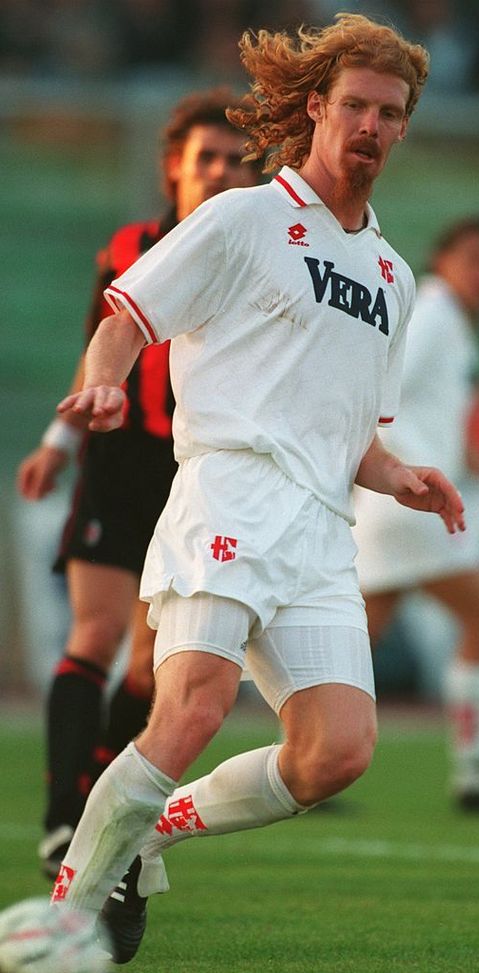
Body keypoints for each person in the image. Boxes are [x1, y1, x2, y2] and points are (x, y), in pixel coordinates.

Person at [49, 13, 465, 963]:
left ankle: (144, 831)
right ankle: (63, 921)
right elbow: (127, 313)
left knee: (336, 755)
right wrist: (107, 374)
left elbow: (356, 431)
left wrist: (401, 476)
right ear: (315, 109)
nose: (368, 124)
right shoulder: (241, 217)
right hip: (231, 493)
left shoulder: (394, 276)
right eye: (353, 105)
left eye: (388, 112)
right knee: (191, 707)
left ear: (403, 128)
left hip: (321, 528)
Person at [16, 88, 261, 879]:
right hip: (119, 460)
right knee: (93, 632)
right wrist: (60, 436)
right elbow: (100, 338)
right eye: (207, 159)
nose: (221, 172)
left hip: (194, 474)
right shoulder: (130, 244)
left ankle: (97, 795)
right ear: (173, 168)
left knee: (148, 663)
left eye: (236, 160)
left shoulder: (255, 255)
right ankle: (61, 819)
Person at [353, 217, 479, 812]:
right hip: (417, 503)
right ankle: (475, 773)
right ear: (443, 258)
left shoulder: (450, 323)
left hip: (398, 504)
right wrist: (400, 472)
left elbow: (446, 435)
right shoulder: (435, 315)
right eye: (475, 259)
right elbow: (371, 391)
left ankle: (304, 758)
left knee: (353, 643)